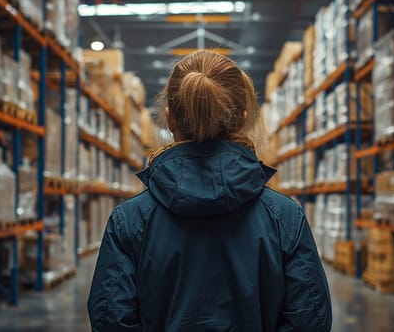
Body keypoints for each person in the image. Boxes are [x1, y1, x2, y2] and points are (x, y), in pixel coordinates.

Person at [87, 50, 332, 332]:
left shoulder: (128, 221)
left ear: (169, 119)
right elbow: (310, 318)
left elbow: (110, 319)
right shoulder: (285, 218)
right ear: (242, 118)